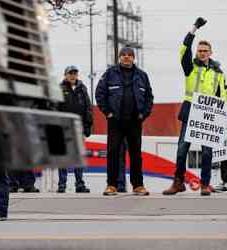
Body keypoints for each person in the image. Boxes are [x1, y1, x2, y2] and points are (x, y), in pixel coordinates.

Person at [162, 17, 226, 196]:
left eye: (205, 50)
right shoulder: (190, 67)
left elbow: (221, 96)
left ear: (210, 53)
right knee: (182, 149)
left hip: (208, 116)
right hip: (191, 112)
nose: (202, 53)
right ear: (197, 52)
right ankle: (178, 182)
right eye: (200, 50)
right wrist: (194, 29)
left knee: (207, 152)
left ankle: (205, 184)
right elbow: (184, 50)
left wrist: (222, 119)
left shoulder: (218, 72)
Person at [96, 46, 154, 196]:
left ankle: (138, 185)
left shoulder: (142, 76)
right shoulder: (110, 74)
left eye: (129, 55)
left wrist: (144, 114)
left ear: (134, 58)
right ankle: (112, 185)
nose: (126, 57)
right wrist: (108, 113)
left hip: (135, 121)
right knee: (113, 153)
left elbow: (149, 97)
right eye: (123, 54)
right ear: (119, 57)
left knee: (136, 154)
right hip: (116, 121)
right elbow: (99, 94)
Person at [57, 65, 92, 193]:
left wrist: (88, 125)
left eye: (75, 73)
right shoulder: (59, 89)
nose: (73, 75)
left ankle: (79, 184)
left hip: (78, 128)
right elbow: (55, 108)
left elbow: (88, 108)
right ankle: (62, 185)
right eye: (70, 73)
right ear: (65, 75)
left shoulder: (82, 89)